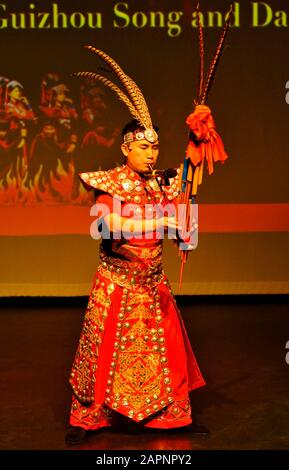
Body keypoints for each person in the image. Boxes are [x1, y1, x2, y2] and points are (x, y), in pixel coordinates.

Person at [66, 50, 206, 445]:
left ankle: (172, 419)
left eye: (156, 147)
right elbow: (105, 225)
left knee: (170, 356)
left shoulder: (163, 182)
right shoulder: (109, 182)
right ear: (126, 147)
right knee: (102, 356)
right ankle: (89, 418)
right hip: (118, 285)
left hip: (153, 285)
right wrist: (157, 221)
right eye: (144, 147)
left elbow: (185, 228)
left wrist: (186, 207)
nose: (152, 153)